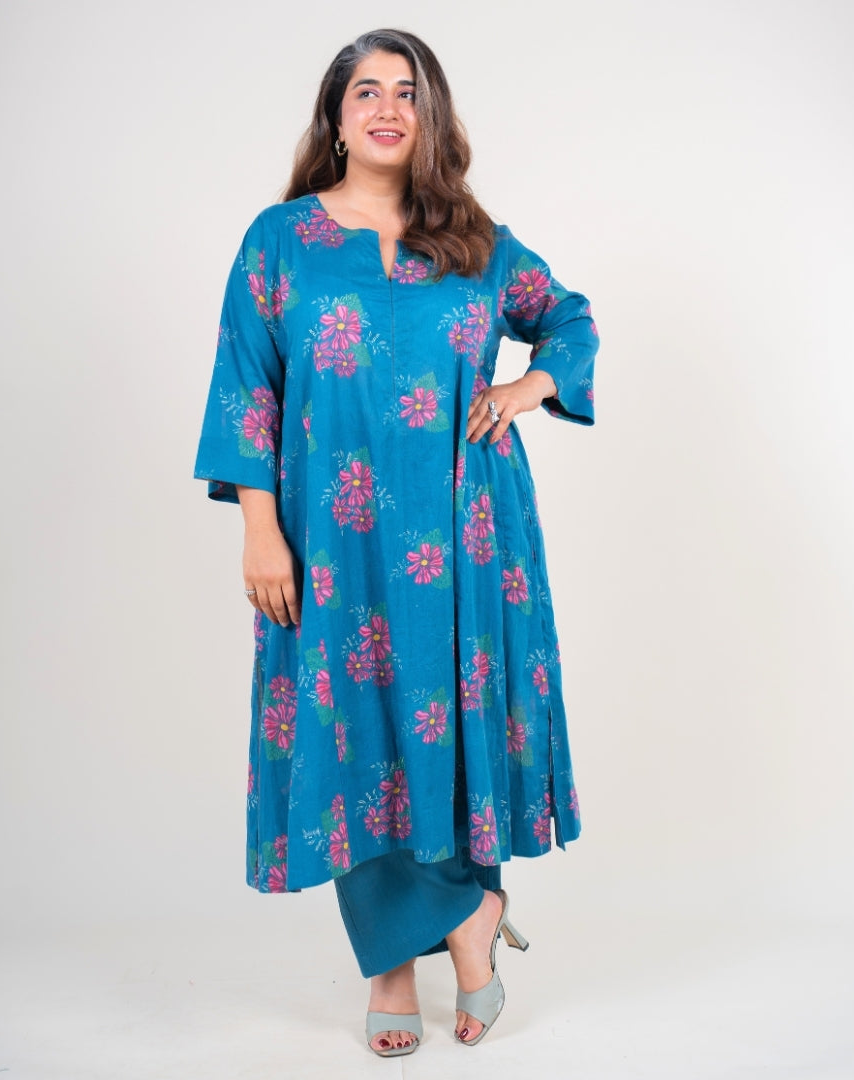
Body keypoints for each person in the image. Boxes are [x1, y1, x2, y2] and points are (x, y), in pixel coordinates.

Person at [194, 28, 598, 1056]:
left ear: (430, 116)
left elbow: (569, 319)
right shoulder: (281, 240)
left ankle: (438, 938)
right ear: (335, 118)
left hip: (467, 533)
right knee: (355, 734)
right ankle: (437, 937)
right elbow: (246, 387)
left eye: (407, 92)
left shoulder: (473, 240)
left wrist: (529, 385)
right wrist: (260, 533)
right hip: (331, 541)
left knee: (450, 723)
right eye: (366, 91)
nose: (387, 107)